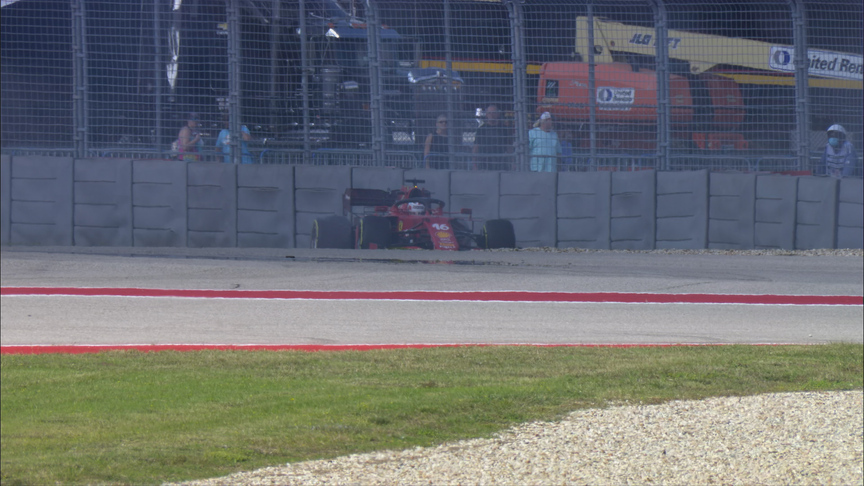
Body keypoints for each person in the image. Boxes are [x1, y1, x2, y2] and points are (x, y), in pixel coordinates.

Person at [472, 104, 513, 171]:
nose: (491, 115)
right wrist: (474, 165)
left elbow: (509, 148)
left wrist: (513, 163)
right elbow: (475, 148)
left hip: (501, 163)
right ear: (486, 115)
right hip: (484, 164)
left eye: (494, 113)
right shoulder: (481, 130)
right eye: (489, 113)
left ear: (498, 114)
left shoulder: (504, 129)